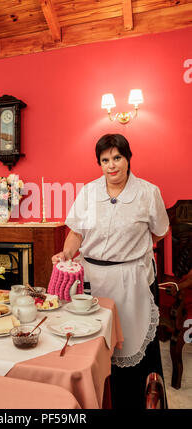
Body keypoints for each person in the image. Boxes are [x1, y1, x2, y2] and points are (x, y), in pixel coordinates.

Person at [52, 134, 170, 409]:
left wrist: (135, 251)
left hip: (132, 280)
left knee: (132, 346)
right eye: (105, 160)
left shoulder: (148, 192)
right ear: (99, 163)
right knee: (94, 347)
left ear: (128, 158)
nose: (111, 165)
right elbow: (76, 234)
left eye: (117, 158)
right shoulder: (89, 193)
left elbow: (160, 232)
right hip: (92, 279)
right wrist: (67, 253)